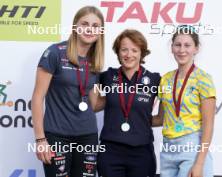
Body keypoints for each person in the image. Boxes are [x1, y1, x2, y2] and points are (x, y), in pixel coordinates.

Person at [31, 6, 104, 177]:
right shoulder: (55, 53)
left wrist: (124, 95)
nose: (89, 29)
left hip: (87, 136)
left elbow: (93, 104)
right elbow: (37, 97)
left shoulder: (95, 61)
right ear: (74, 27)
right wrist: (40, 139)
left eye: (95, 26)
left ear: (100, 32)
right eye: (84, 24)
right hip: (57, 135)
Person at [95, 29, 160, 177]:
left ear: (141, 53)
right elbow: (93, 105)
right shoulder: (107, 76)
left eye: (134, 50)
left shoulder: (155, 80)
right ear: (117, 52)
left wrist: (140, 121)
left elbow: (162, 117)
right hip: (110, 151)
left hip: (142, 152)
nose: (128, 55)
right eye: (124, 50)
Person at [157, 25, 216, 177]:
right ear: (172, 48)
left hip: (192, 149)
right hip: (168, 150)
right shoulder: (165, 79)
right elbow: (161, 118)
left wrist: (199, 163)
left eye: (187, 45)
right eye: (177, 45)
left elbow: (208, 124)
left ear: (196, 48)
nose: (182, 50)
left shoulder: (203, 79)